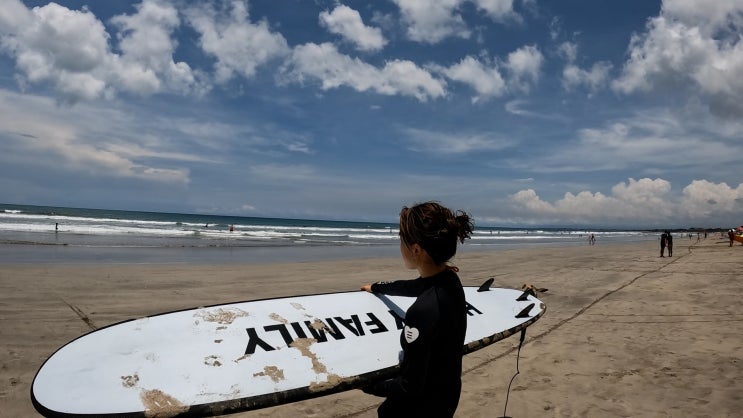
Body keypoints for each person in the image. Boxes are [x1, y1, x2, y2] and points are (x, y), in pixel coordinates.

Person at [360, 201, 474, 417]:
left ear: (416, 250)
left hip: (420, 409)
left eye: (401, 240)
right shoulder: (450, 281)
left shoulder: (422, 312)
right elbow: (413, 286)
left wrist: (368, 383)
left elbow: (408, 387)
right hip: (447, 397)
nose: (399, 246)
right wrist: (376, 287)